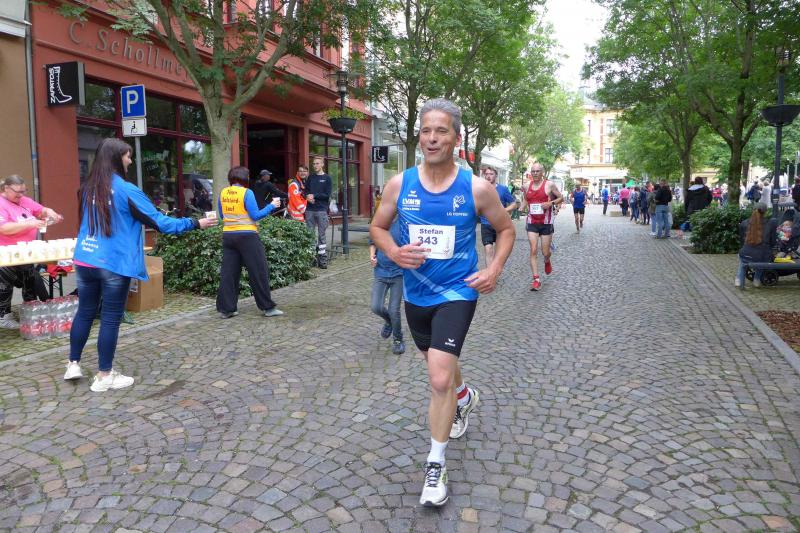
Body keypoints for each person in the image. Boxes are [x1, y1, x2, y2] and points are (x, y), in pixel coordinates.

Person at [370, 98, 514, 508]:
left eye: (441, 131)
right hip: (416, 293)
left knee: (436, 379)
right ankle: (464, 396)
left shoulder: (476, 188)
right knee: (440, 364)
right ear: (420, 137)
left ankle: (435, 465)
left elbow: (505, 230)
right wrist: (393, 251)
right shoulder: (399, 184)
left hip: (458, 291)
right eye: (426, 131)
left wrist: (494, 269)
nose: (432, 139)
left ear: (456, 138)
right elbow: (378, 227)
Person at [66, 139, 215, 391]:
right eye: (127, 156)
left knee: (85, 312)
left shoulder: (87, 188)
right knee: (110, 319)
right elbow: (161, 223)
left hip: (85, 258)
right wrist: (195, 223)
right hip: (113, 262)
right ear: (116, 158)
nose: (130, 160)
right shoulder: (127, 190)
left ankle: (73, 364)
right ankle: (104, 376)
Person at [216, 166, 284, 319]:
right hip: (248, 236)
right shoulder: (247, 193)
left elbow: (222, 215)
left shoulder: (223, 192)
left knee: (229, 273)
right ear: (245, 178)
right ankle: (267, 308)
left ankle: (227, 309)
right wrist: (272, 206)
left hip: (228, 236)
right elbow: (255, 215)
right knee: (259, 271)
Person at [0, 175, 64, 329]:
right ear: (6, 189)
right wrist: (31, 224)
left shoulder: (24, 200)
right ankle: (3, 315)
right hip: (5, 255)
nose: (21, 195)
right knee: (5, 285)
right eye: (17, 192)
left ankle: (30, 312)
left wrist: (50, 213)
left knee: (30, 281)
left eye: (24, 191)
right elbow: (4, 228)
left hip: (26, 253)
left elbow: (41, 210)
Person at [521, 163, 563, 291]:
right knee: (533, 250)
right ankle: (536, 279)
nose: (535, 173)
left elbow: (561, 198)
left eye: (537, 171)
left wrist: (550, 203)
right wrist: (521, 207)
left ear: (542, 172)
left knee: (545, 252)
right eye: (533, 171)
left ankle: (547, 260)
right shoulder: (526, 186)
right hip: (532, 221)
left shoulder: (549, 185)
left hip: (546, 222)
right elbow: (526, 199)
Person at [369, 221, 405, 355]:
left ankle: (398, 339)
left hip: (399, 274)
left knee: (394, 310)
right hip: (381, 272)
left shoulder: (404, 222)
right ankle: (389, 322)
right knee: (376, 307)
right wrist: (372, 256)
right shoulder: (381, 221)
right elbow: (372, 241)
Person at [479, 166, 517, 266]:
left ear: (496, 175)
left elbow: (514, 204)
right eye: (486, 174)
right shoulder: (480, 188)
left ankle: (495, 271)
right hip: (485, 224)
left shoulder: (503, 189)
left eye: (491, 174)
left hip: (499, 225)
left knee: (498, 253)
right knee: (488, 250)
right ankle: (490, 273)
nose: (488, 176)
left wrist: (504, 210)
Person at [736, 202, 777, 287]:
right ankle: (757, 279)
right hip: (761, 256)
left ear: (753, 210)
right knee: (763, 256)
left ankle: (738, 279)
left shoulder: (744, 223)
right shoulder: (771, 224)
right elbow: (773, 242)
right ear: (765, 212)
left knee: (742, 259)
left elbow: (741, 241)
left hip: (745, 254)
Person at [306, 156, 332, 269]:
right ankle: (311, 259)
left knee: (321, 235)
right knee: (310, 235)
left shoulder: (327, 178)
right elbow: (306, 190)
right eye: (314, 164)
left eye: (317, 163)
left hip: (321, 210)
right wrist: (307, 197)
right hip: (310, 210)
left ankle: (322, 261)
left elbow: (327, 195)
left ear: (322, 164)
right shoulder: (310, 177)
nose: (315, 165)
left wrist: (314, 196)